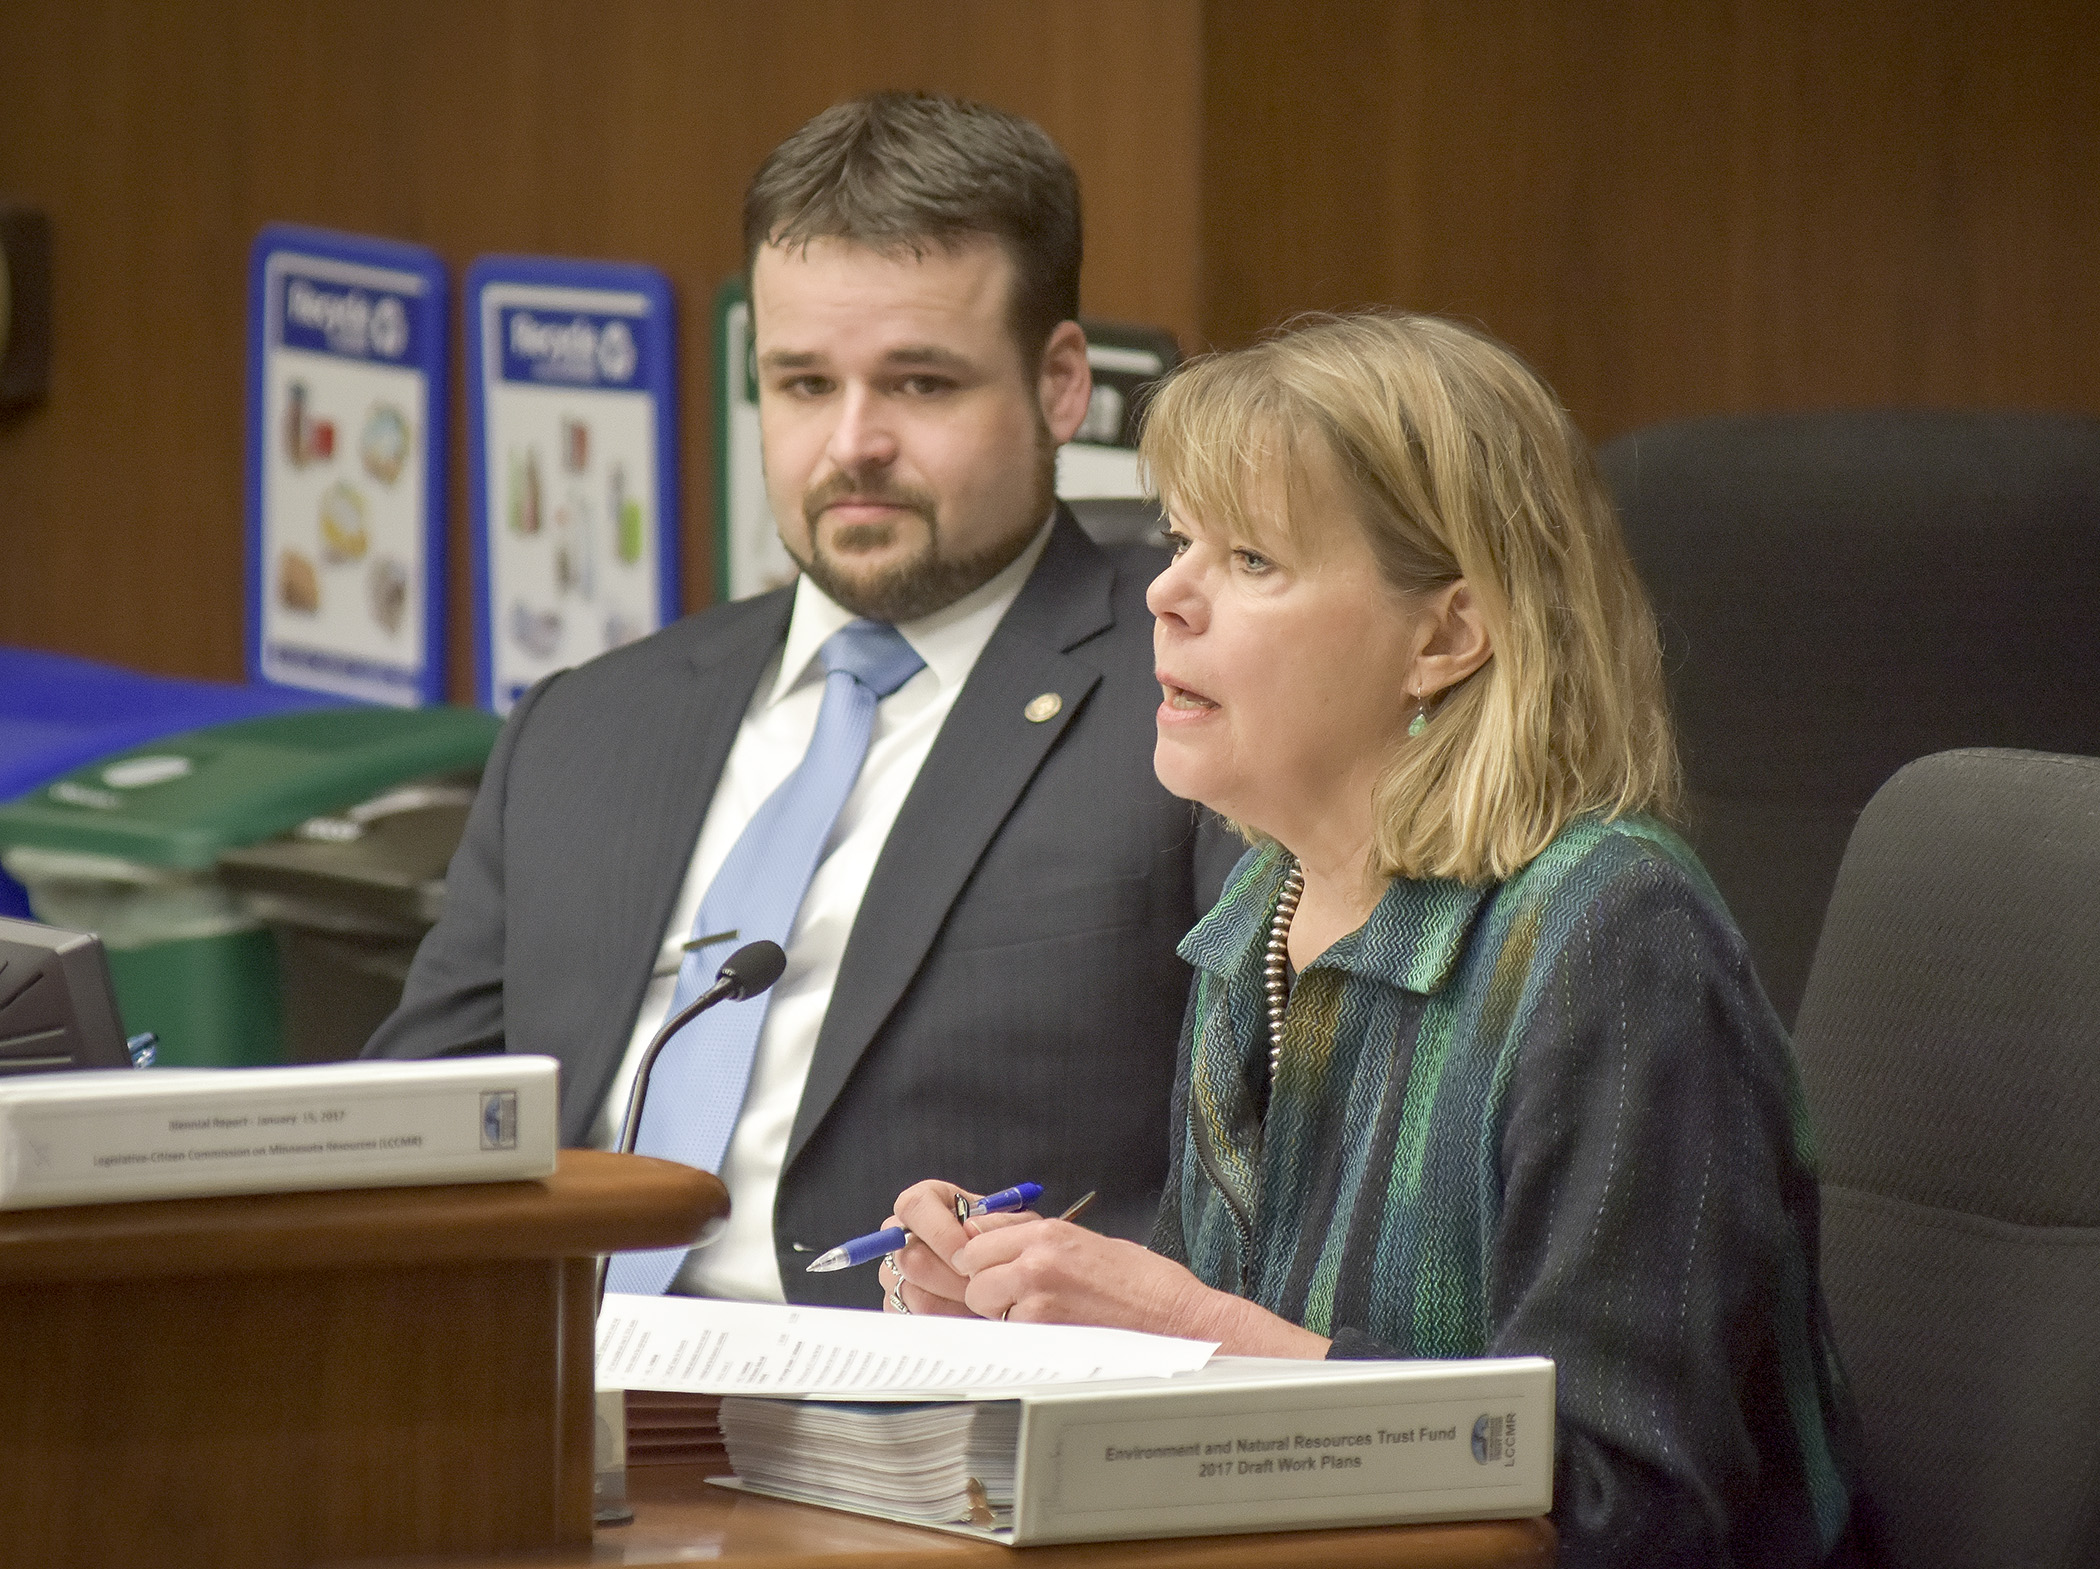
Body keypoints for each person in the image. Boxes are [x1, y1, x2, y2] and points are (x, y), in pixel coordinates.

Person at [884, 313, 1872, 1566]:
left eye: (1250, 559)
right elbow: (1223, 1413)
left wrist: (1188, 1323)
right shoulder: (1255, 922)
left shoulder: (1613, 941)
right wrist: (1040, 1309)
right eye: (1183, 540)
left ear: (1445, 637)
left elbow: (1636, 1506)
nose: (1164, 592)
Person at [365, 91, 1235, 1307]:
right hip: (546, 1396)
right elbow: (394, 1150)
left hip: (919, 1434)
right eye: (804, 384)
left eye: (921, 384)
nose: (853, 444)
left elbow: (1278, 1187)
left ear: (1061, 387)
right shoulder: (587, 726)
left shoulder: (1189, 693)